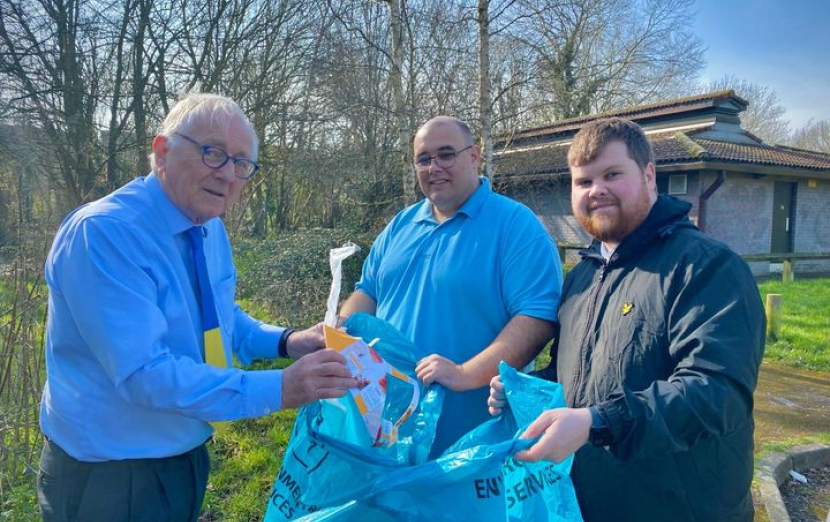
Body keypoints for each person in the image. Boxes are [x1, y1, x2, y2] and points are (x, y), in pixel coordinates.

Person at [37, 93, 359, 522]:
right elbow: (144, 375)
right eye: (213, 153)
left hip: (183, 458)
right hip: (109, 478)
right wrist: (282, 388)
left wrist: (289, 341)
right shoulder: (105, 235)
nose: (227, 174)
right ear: (162, 151)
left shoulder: (208, 229)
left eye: (241, 164)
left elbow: (219, 320)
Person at [488, 117, 765, 522]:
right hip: (592, 504)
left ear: (649, 176)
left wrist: (597, 422)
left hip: (680, 508)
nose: (596, 190)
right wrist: (525, 391)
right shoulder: (580, 278)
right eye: (583, 182)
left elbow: (716, 392)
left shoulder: (705, 268)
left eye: (612, 174)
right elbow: (576, 379)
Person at [339, 116, 562, 456]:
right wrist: (343, 334)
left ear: (474, 155)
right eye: (423, 159)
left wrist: (464, 373)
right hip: (385, 430)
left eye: (446, 155)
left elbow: (536, 319)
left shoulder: (515, 227)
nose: (434, 168)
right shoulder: (401, 225)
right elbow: (366, 291)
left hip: (470, 446)